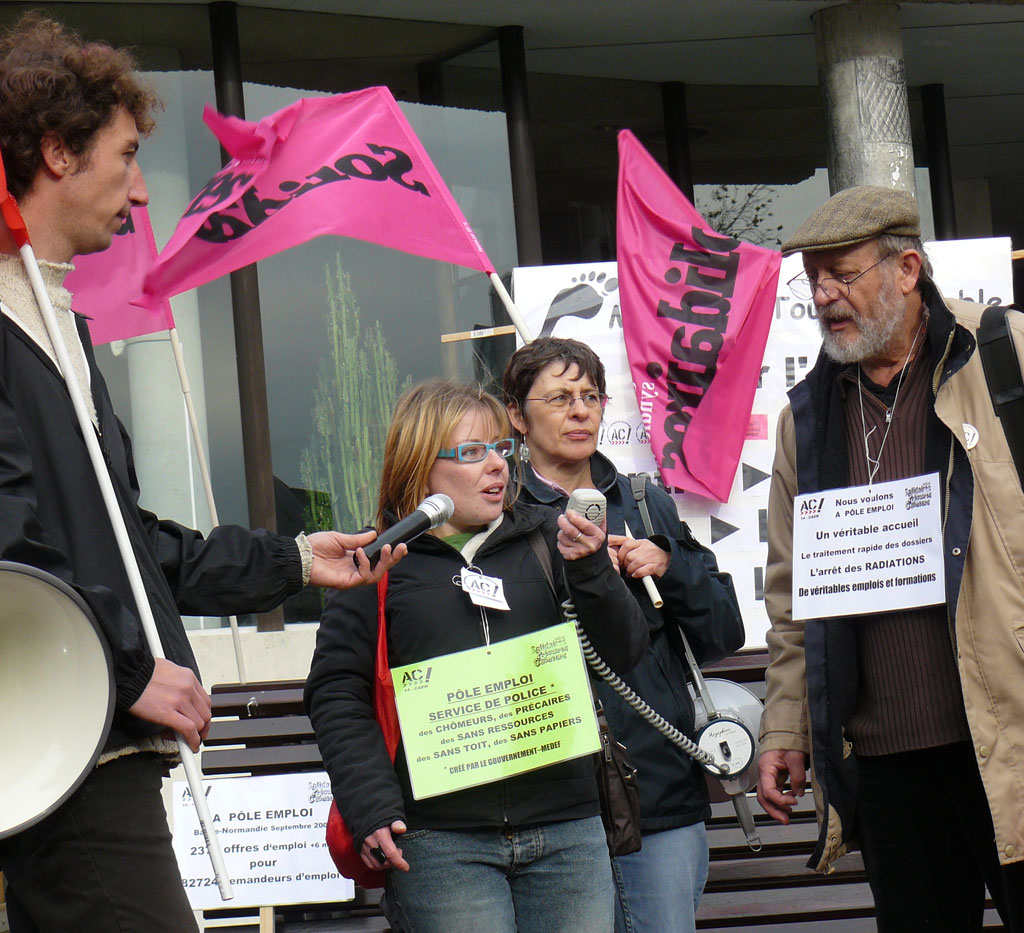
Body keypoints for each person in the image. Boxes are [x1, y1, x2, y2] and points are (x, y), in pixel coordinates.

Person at [0, 15, 402, 932]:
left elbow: (123, 543)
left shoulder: (57, 326)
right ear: (57, 152)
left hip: (79, 750)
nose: (142, 191)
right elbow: (8, 542)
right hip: (62, 753)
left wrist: (294, 560)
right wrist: (127, 667)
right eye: (128, 154)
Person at [756, 185, 1024, 931]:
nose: (824, 293)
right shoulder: (806, 418)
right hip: (886, 764)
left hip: (1010, 737)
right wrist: (783, 728)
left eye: (842, 273)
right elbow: (791, 598)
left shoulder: (1007, 353)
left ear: (907, 268)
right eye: (815, 278)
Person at [306, 379, 649, 932]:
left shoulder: (548, 539)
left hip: (566, 830)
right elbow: (337, 694)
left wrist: (589, 571)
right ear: (420, 467)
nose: (497, 465)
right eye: (472, 453)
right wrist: (372, 806)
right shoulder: (376, 564)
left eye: (501, 449)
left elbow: (627, 651)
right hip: (440, 841)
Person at [502, 338, 744, 932]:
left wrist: (668, 565)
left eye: (590, 396)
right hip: (551, 800)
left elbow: (723, 631)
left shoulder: (643, 501)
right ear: (517, 415)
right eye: (559, 398)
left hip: (657, 789)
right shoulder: (499, 512)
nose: (580, 411)